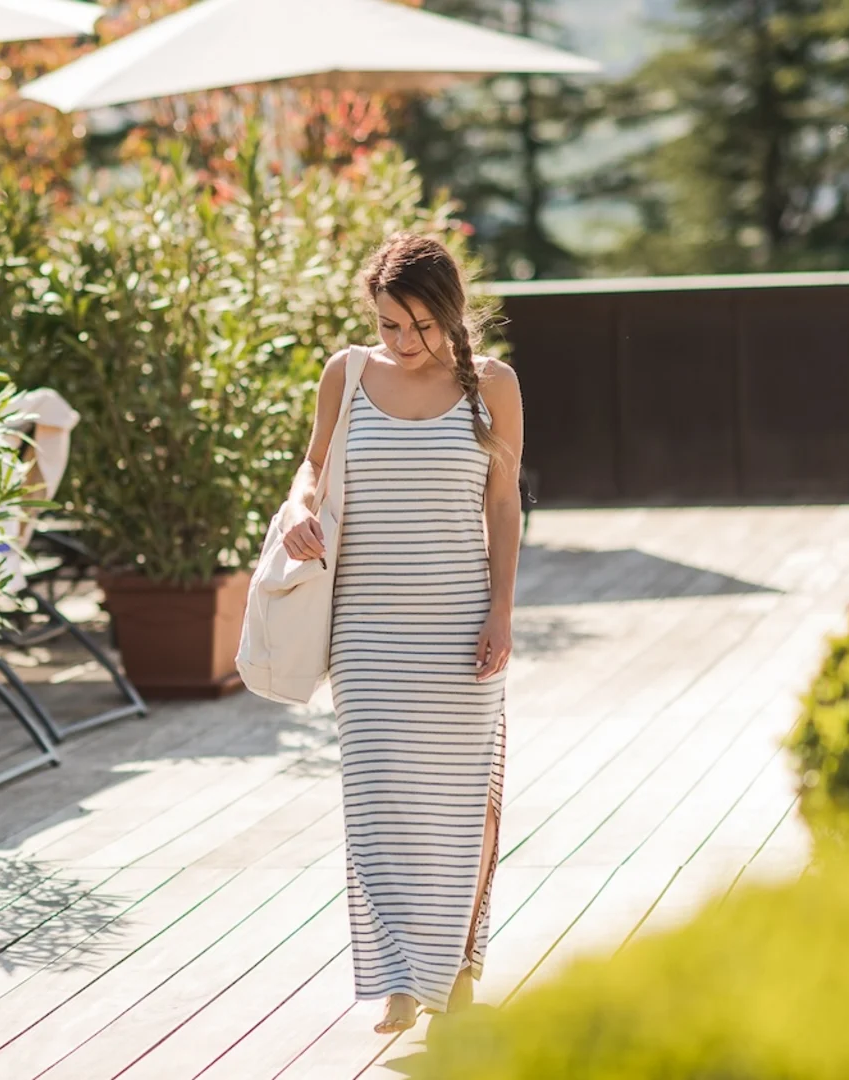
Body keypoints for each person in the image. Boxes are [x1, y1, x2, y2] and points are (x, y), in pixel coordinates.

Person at [280, 232, 525, 1034]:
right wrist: (300, 511)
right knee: (379, 803)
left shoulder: (493, 385)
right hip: (367, 627)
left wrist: (501, 608)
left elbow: (502, 504)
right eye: (390, 324)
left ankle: (454, 966)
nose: (404, 342)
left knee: (459, 803)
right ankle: (394, 977)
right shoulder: (347, 373)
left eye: (419, 326)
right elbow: (311, 468)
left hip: (458, 620)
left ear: (452, 314)